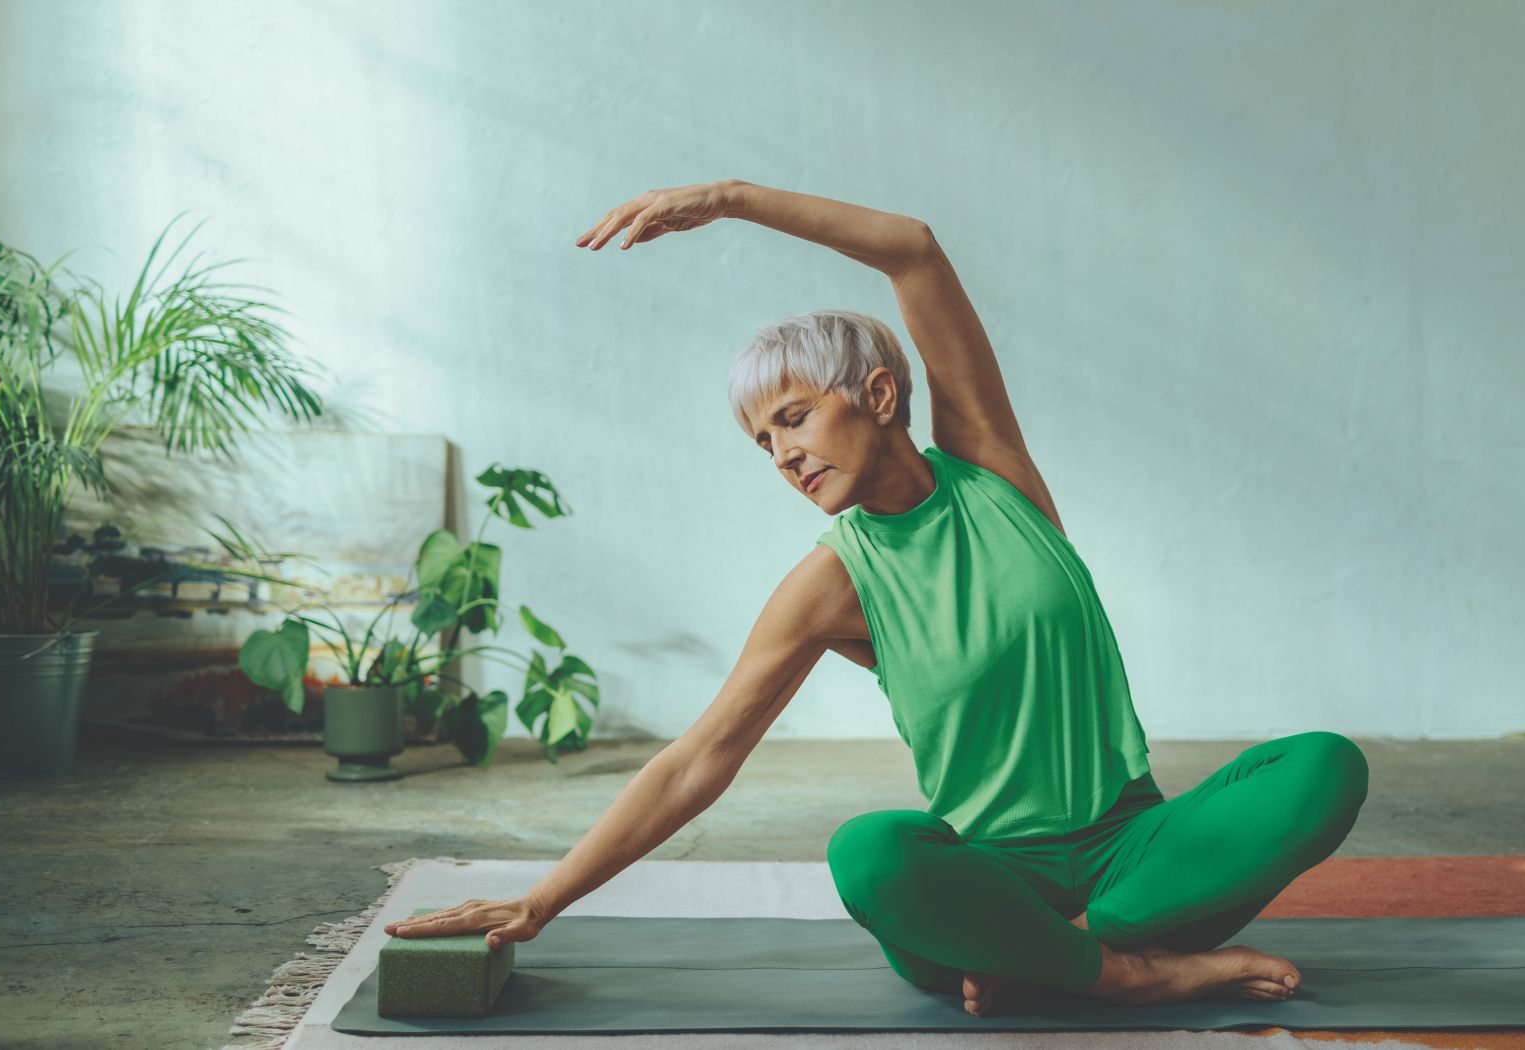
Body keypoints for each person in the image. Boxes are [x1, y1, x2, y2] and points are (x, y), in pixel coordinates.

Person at [383, 180, 1370, 1017]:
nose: (784, 455)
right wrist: (543, 899)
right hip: (989, 877)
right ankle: (1120, 973)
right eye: (763, 442)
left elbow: (915, 252)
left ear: (883, 396)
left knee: (1322, 768)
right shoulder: (832, 582)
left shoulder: (995, 471)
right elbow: (701, 758)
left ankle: (1053, 963)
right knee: (873, 855)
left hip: (1134, 852)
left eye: (796, 417)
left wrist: (725, 199)